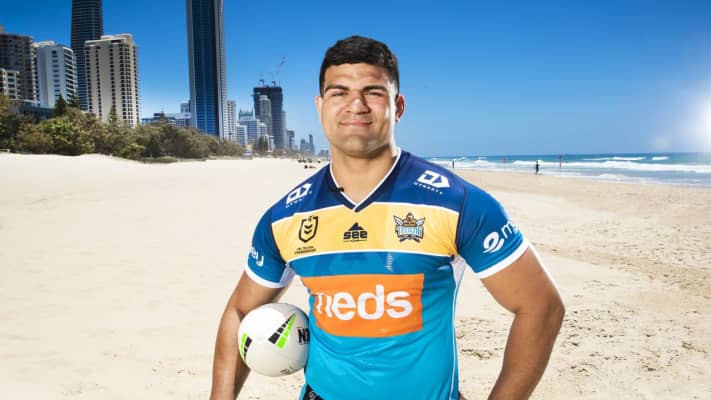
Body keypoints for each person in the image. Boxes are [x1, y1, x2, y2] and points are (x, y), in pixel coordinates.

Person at [210, 35, 564, 400]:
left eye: (373, 92)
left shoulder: (457, 202)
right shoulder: (285, 217)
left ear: (398, 106)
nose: (356, 105)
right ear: (320, 106)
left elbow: (541, 306)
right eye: (339, 92)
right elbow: (240, 310)